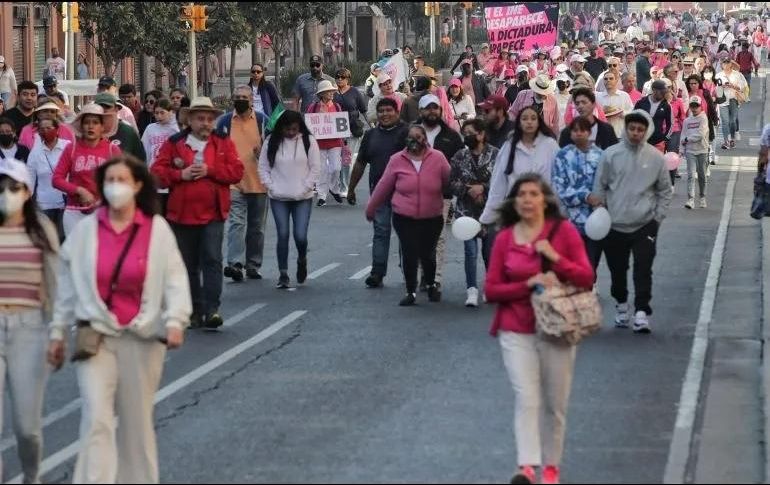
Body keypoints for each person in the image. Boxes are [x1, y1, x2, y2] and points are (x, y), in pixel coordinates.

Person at [47, 155, 191, 484]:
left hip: (143, 339)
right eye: (109, 181)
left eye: (122, 181)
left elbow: (175, 278)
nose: (115, 188)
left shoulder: (156, 230)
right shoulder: (86, 231)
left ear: (138, 185)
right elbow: (67, 286)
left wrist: (175, 320)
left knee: (135, 423)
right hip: (97, 336)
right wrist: (57, 331)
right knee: (96, 417)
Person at [485, 173, 593, 485]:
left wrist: (554, 258)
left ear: (545, 200)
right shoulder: (506, 238)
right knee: (527, 397)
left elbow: (586, 277)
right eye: (522, 195)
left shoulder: (564, 232)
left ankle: (551, 468)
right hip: (516, 328)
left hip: (557, 327)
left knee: (555, 403)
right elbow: (491, 290)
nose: (528, 200)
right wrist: (527, 284)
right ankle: (527, 467)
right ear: (514, 202)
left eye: (534, 194)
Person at [151, 97, 244, 329]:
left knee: (212, 259)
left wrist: (210, 170)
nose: (205, 123)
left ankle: (212, 308)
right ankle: (194, 308)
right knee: (188, 265)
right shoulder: (174, 143)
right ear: (189, 120)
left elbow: (236, 172)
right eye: (200, 118)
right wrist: (179, 175)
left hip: (213, 212)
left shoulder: (223, 142)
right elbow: (156, 172)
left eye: (209, 119)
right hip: (181, 214)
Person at [0, 158, 59, 485]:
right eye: (1, 188)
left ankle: (32, 475)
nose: (6, 194)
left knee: (27, 428)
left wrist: (58, 333)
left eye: (13, 188)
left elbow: (56, 284)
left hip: (29, 330)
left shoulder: (40, 229)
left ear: (27, 192)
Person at [591, 110, 672, 333]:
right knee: (618, 271)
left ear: (646, 131)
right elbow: (600, 185)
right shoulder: (610, 155)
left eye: (640, 129)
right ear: (626, 129)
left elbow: (665, 190)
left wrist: (657, 218)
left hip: (644, 224)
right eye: (632, 129)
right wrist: (599, 208)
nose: (636, 133)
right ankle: (621, 304)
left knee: (643, 269)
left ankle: (641, 312)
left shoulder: (655, 158)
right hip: (614, 224)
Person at [365, 124, 450, 306]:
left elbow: (448, 181)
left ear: (425, 139)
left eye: (419, 137)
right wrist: (371, 207)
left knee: (428, 254)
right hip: (404, 216)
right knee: (410, 253)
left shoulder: (438, 158)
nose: (415, 141)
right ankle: (410, 291)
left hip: (432, 216)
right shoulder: (397, 160)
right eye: (411, 137)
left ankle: (430, 284)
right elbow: (384, 186)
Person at [347, 98, 408, 288]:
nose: (385, 114)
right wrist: (351, 188)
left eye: (389, 110)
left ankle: (409, 272)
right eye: (381, 111)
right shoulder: (371, 135)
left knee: (406, 234)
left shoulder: (407, 133)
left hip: (405, 192)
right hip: (379, 192)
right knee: (380, 231)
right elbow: (360, 163)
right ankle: (377, 272)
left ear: (397, 112)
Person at [257, 110, 320, 289]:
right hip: (278, 196)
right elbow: (263, 167)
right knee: (282, 234)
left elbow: (315, 168)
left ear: (299, 127)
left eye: (294, 129)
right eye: (287, 129)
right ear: (280, 128)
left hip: (303, 197)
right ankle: (283, 273)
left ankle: (302, 258)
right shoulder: (271, 142)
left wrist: (306, 187)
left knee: (300, 235)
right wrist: (271, 186)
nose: (291, 133)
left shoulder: (309, 141)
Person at [217, 86, 269, 282]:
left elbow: (273, 150)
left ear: (251, 100)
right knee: (236, 223)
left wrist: (262, 153)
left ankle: (253, 264)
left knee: (257, 228)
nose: (240, 100)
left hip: (258, 182)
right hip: (233, 183)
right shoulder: (224, 122)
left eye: (244, 97)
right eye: (237, 97)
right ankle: (234, 263)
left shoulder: (263, 121)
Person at [480, 106, 559, 226]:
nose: (529, 122)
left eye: (533, 118)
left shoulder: (550, 146)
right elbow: (498, 183)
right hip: (516, 210)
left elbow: (559, 179)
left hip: (544, 210)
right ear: (519, 122)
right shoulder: (508, 146)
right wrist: (488, 216)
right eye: (525, 118)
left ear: (539, 122)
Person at [449, 118, 498, 307]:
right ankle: (471, 289)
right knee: (470, 251)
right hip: (466, 211)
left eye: (471, 132)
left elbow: (502, 181)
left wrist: (483, 188)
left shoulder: (496, 154)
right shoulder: (460, 155)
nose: (467, 136)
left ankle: (490, 287)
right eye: (465, 133)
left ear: (481, 134)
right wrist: (468, 189)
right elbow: (451, 182)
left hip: (490, 210)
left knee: (489, 252)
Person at [53, 104, 120, 235]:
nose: (90, 126)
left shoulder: (112, 150)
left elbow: (122, 181)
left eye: (95, 123)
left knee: (99, 253)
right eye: (87, 123)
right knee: (76, 254)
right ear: (81, 126)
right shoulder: (71, 149)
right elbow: (56, 179)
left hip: (103, 211)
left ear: (102, 127)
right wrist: (78, 190)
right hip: (74, 212)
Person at [551, 117, 605, 273]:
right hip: (571, 220)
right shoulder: (563, 156)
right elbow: (559, 187)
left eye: (583, 130)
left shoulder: (601, 156)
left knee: (591, 262)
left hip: (596, 219)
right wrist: (585, 196)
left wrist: (601, 201)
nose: (579, 133)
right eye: (575, 130)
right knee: (574, 263)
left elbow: (608, 185)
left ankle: (590, 285)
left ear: (589, 132)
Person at [27, 116, 69, 239]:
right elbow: (30, 178)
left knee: (63, 238)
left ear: (57, 129)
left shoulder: (68, 147)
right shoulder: (35, 152)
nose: (45, 131)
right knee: (45, 239)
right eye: (42, 129)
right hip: (44, 205)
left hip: (65, 203)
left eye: (49, 128)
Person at [308, 80, 345, 207]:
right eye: (329, 91)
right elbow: (309, 124)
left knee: (336, 168)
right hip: (319, 143)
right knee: (321, 169)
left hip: (335, 142)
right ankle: (321, 195)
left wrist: (344, 136)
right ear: (322, 93)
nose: (332, 93)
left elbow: (341, 123)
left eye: (332, 91)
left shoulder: (337, 106)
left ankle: (334, 189)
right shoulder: (313, 108)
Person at [141, 98, 179, 215]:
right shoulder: (150, 129)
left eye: (162, 112)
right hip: (154, 174)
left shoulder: (176, 129)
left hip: (171, 176)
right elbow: (145, 150)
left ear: (171, 112)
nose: (159, 116)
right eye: (156, 113)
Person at [333, 67, 368, 197]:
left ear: (348, 79)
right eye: (337, 77)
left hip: (352, 130)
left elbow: (364, 111)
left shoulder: (355, 92)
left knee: (346, 158)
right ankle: (336, 182)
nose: (339, 79)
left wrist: (373, 126)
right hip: (335, 131)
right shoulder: (332, 93)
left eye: (342, 77)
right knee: (336, 158)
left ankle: (344, 185)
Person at [94, 93, 146, 162]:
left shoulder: (128, 131)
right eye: (99, 107)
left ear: (116, 109)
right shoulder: (88, 131)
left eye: (107, 107)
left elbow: (140, 160)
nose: (103, 110)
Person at [680, 96, 710, 209]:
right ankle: (690, 200)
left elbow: (701, 134)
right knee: (691, 175)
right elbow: (683, 135)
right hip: (690, 151)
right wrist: (682, 149)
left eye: (696, 106)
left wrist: (688, 139)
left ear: (700, 106)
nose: (694, 108)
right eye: (692, 106)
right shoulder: (687, 120)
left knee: (702, 175)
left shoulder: (703, 118)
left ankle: (702, 197)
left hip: (702, 150)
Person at [634, 80, 673, 153]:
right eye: (661, 92)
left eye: (665, 92)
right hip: (641, 141)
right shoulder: (641, 102)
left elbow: (670, 123)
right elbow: (632, 119)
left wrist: (665, 138)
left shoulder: (666, 106)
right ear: (654, 90)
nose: (663, 94)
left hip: (658, 142)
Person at [715, 59, 746, 150]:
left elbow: (741, 87)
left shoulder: (737, 74)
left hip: (733, 99)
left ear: (731, 64)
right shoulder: (718, 75)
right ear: (722, 65)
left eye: (727, 62)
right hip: (722, 101)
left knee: (732, 121)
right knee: (725, 121)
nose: (726, 64)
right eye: (724, 62)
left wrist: (732, 86)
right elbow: (715, 88)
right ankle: (726, 141)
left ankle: (732, 138)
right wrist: (721, 87)